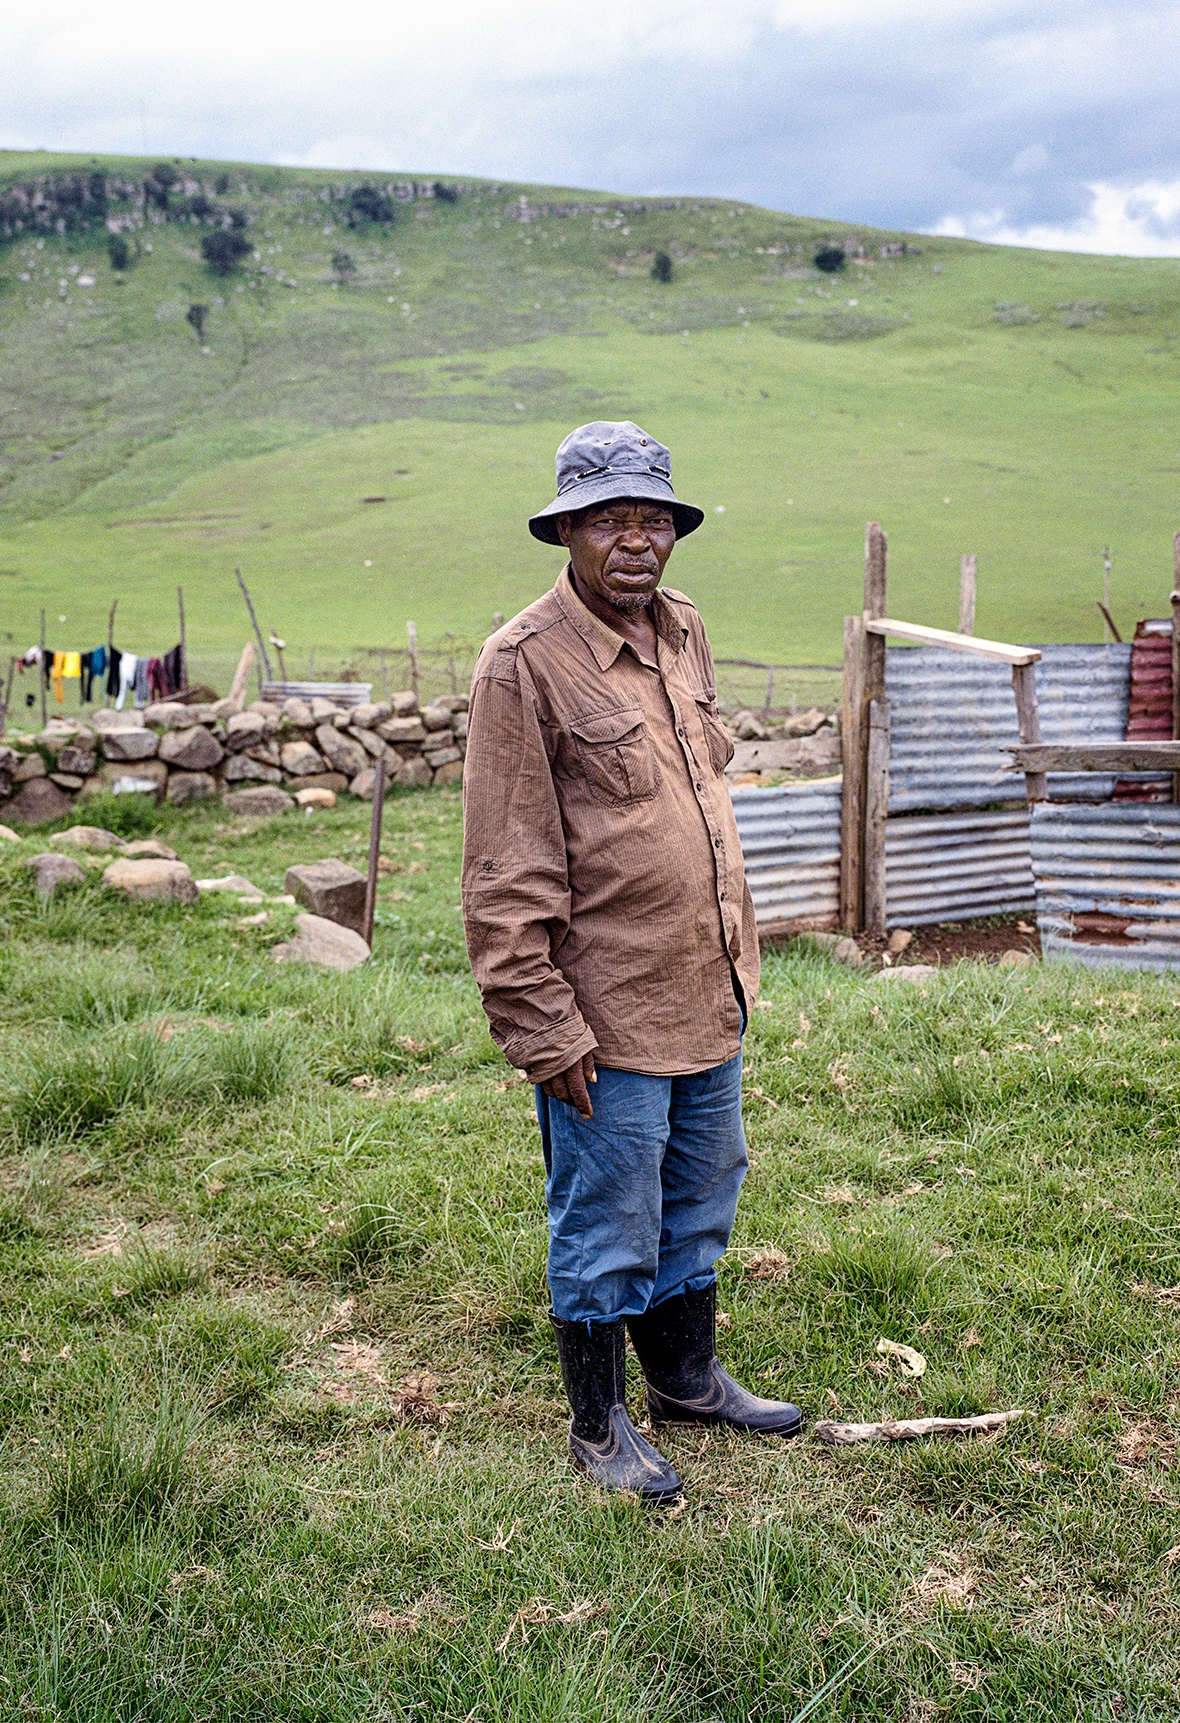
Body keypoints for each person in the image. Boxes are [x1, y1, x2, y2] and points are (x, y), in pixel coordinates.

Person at [461, 420, 803, 1502]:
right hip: (604, 1014)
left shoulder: (686, 630)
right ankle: (598, 1424)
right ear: (565, 528)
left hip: (705, 985)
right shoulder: (522, 663)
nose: (637, 540)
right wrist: (540, 1023)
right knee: (608, 1214)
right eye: (611, 518)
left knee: (702, 1191)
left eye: (654, 517)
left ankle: (688, 1382)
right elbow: (505, 863)